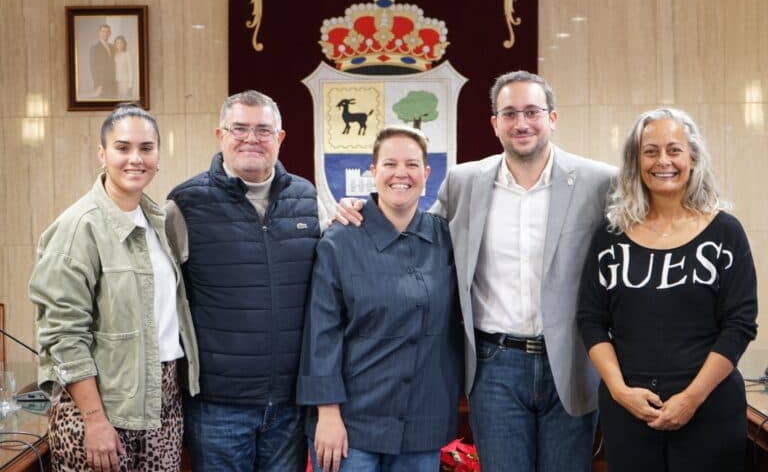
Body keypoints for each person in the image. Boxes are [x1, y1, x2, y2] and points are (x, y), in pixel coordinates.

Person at [335, 70, 616, 471]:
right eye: (509, 113)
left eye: (532, 111)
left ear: (552, 118)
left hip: (570, 364)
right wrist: (360, 208)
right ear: (494, 123)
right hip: (495, 365)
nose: (521, 123)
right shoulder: (464, 182)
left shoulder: (599, 181)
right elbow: (412, 235)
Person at [577, 108, 758, 472]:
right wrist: (618, 390)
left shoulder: (725, 232)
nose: (663, 161)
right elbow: (591, 319)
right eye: (650, 151)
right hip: (628, 411)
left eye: (674, 150)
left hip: (709, 409)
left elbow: (740, 324)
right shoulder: (610, 235)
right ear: (635, 161)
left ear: (692, 157)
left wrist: (691, 398)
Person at [29, 104, 200, 472]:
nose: (135, 158)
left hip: (161, 409)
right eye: (123, 148)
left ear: (158, 155)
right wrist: (94, 420)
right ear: (102, 154)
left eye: (146, 148)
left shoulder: (160, 221)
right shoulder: (78, 228)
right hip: (99, 415)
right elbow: (62, 335)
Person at [165, 89, 321, 471]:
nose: (251, 138)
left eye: (263, 130)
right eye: (239, 128)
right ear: (220, 135)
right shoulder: (185, 204)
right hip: (219, 407)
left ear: (280, 138)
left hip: (288, 406)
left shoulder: (307, 198)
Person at [297, 126, 463, 472]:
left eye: (412, 165)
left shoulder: (447, 239)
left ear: (427, 173)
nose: (401, 173)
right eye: (390, 163)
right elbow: (321, 334)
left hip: (421, 424)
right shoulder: (339, 241)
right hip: (352, 425)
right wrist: (327, 413)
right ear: (372, 171)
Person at [90, 24, 117, 98]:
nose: (105, 33)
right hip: (102, 84)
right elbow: (93, 68)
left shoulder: (112, 47)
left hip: (113, 83)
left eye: (107, 32)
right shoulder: (95, 48)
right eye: (103, 31)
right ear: (99, 33)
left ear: (110, 34)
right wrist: (98, 85)